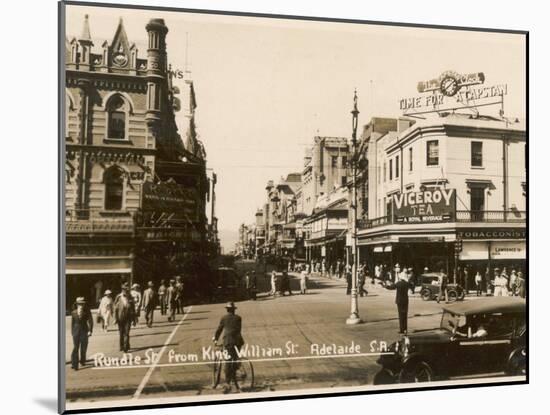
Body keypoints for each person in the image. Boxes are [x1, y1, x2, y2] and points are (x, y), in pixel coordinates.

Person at [212, 302, 245, 392]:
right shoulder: (238, 318)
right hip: (238, 341)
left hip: (228, 342)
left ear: (227, 310)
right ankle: (236, 368)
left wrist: (215, 338)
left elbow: (219, 329)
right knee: (234, 358)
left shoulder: (224, 318)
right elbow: (238, 330)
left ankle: (227, 383)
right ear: (234, 310)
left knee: (227, 362)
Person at [71, 297, 93, 370]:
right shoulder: (73, 312)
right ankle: (75, 364)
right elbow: (72, 323)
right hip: (76, 332)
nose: (81, 305)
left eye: (82, 304)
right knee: (75, 348)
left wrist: (90, 330)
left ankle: (82, 360)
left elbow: (90, 321)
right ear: (77, 304)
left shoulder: (87, 312)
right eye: (79, 304)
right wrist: (72, 332)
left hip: (84, 331)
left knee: (83, 347)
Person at [114, 283, 136, 353]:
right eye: (124, 290)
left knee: (126, 332)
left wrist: (134, 319)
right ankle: (121, 346)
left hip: (128, 318)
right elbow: (115, 308)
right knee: (121, 333)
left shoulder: (130, 297)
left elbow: (133, 308)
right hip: (120, 318)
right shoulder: (118, 297)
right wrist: (115, 318)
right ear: (122, 290)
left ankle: (125, 347)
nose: (126, 291)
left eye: (127, 290)